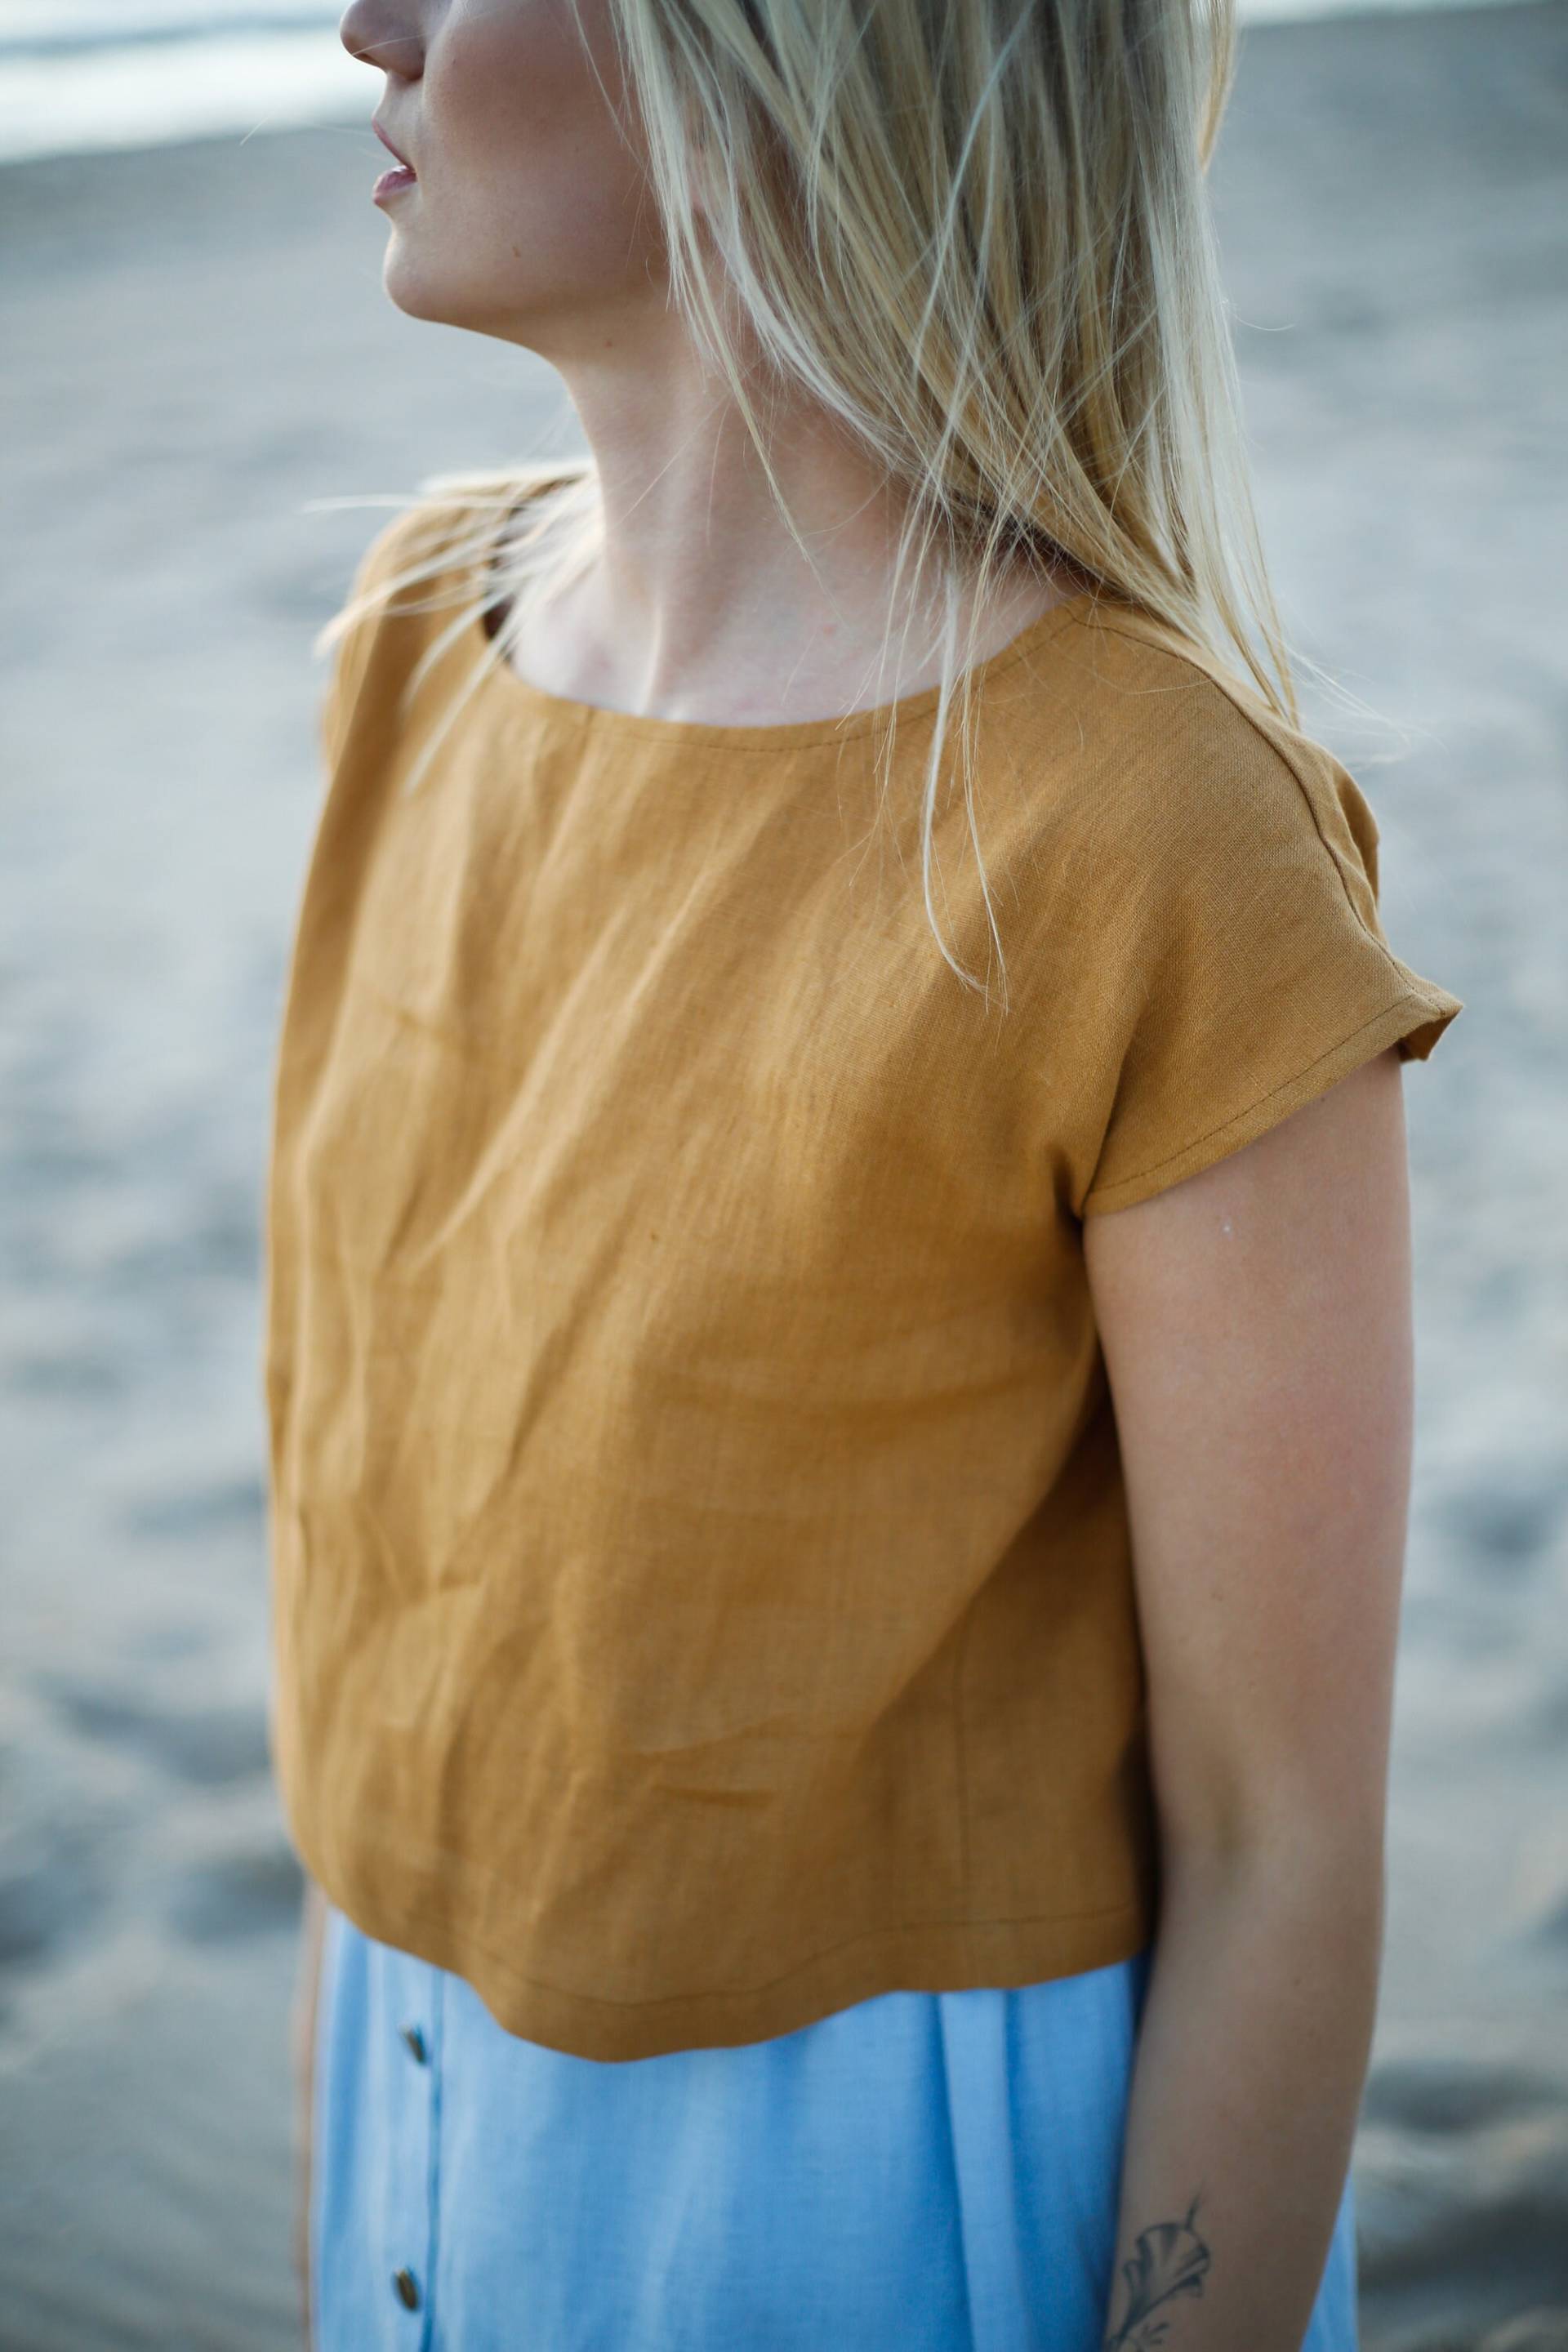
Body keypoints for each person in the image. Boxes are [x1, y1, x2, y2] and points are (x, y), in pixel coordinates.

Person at [264, 1, 1465, 2346]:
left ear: (792, 56)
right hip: (409, 2108)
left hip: (877, 2209)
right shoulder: (417, 644)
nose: (366, 19)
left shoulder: (1150, 841)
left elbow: (1280, 1849)